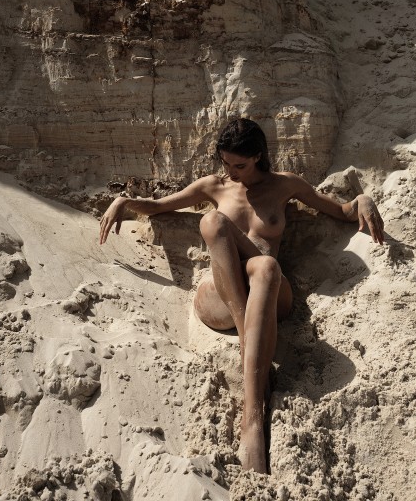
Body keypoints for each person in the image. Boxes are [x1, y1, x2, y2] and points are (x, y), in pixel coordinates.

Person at [99, 118, 384, 473]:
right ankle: (249, 351)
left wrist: (363, 200)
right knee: (213, 222)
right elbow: (158, 206)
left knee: (266, 266)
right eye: (225, 163)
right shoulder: (214, 186)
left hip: (270, 295)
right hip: (221, 298)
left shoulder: (286, 185)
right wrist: (123, 201)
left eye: (239, 165)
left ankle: (253, 421)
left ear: (258, 157)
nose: (230, 172)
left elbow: (341, 211)